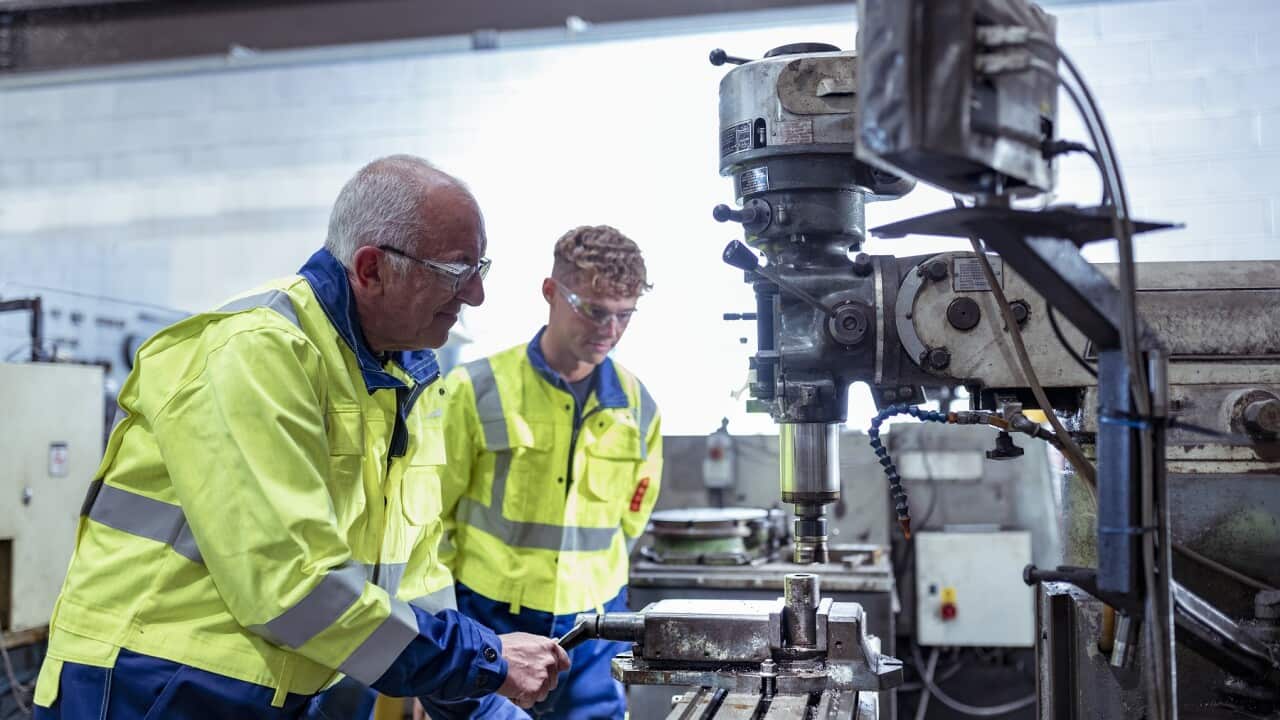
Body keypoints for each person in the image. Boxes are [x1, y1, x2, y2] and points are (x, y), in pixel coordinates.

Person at [32, 155, 568, 719]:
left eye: (480, 267)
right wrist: (483, 660)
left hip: (269, 691)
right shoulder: (258, 352)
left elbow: (412, 581)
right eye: (455, 271)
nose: (476, 294)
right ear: (371, 269)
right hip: (151, 685)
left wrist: (479, 701)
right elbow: (292, 586)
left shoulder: (404, 380)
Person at [436, 225, 662, 719]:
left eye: (625, 314)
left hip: (594, 633)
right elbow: (431, 520)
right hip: (487, 623)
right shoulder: (473, 390)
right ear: (550, 292)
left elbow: (631, 519)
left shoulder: (639, 407)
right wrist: (439, 640)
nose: (610, 329)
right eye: (594, 311)